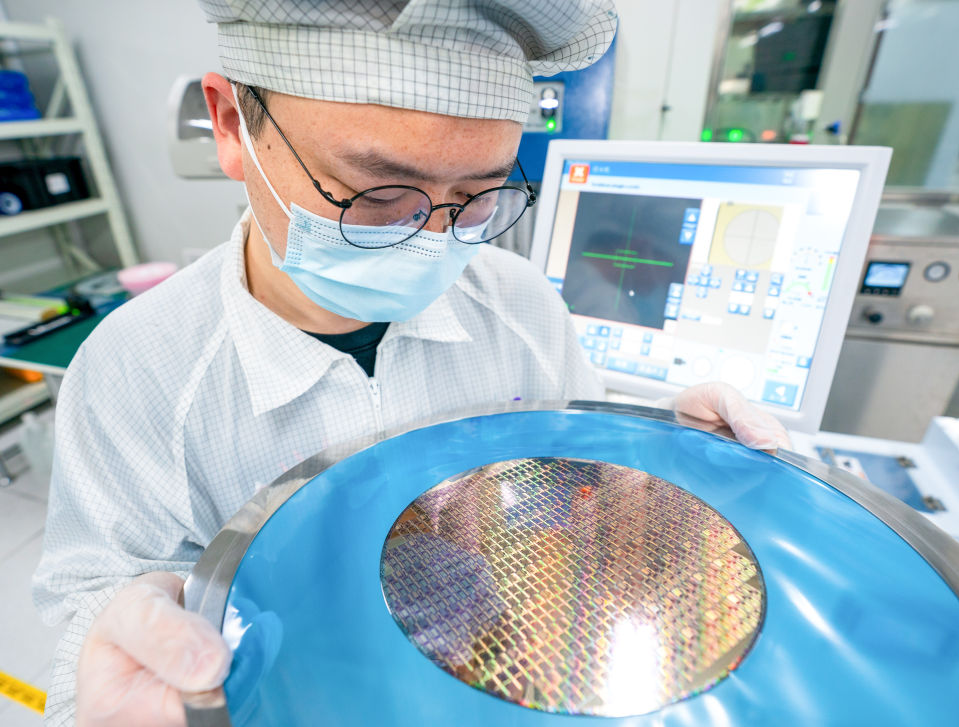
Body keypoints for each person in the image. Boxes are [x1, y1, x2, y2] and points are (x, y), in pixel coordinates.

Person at [32, 2, 790, 725]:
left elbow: (576, 491)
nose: (429, 240)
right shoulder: (136, 371)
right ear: (232, 125)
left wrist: (667, 467)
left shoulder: (519, 307)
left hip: (497, 674)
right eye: (373, 194)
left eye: (477, 195)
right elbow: (102, 611)